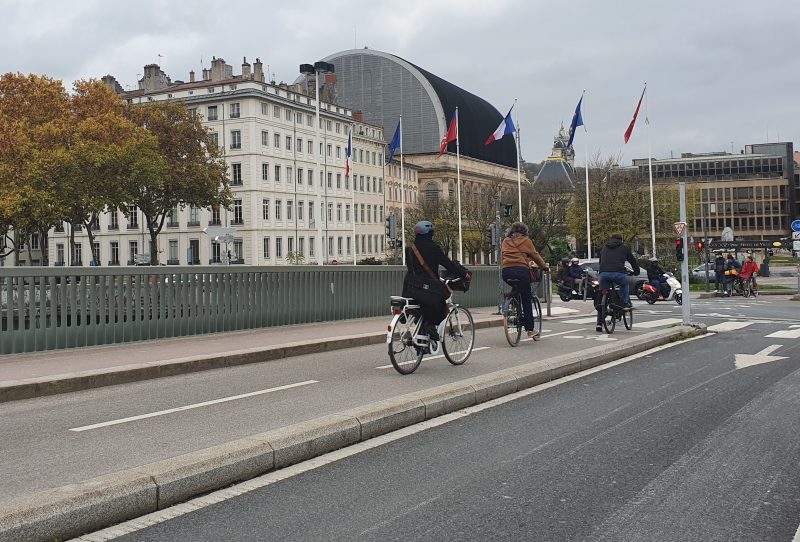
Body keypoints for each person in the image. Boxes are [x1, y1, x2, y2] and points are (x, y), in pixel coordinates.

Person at [403, 220, 466, 342]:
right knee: (440, 306)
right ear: (430, 233)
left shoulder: (410, 249)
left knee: (422, 307)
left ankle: (423, 332)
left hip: (411, 287)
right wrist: (463, 274)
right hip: (428, 288)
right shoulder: (433, 248)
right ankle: (430, 328)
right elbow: (448, 265)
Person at [501, 222, 549, 339]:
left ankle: (512, 303)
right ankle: (530, 330)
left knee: (517, 288)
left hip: (506, 272)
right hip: (521, 272)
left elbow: (503, 255)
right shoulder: (526, 241)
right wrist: (544, 267)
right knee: (526, 299)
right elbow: (535, 255)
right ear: (524, 231)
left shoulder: (505, 241)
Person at [595, 234, 640, 332]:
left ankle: (599, 323)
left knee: (602, 296)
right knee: (624, 284)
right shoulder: (624, 248)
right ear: (621, 240)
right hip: (618, 273)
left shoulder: (604, 247)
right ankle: (625, 303)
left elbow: (600, 261)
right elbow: (633, 261)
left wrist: (602, 271)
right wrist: (636, 272)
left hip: (603, 274)